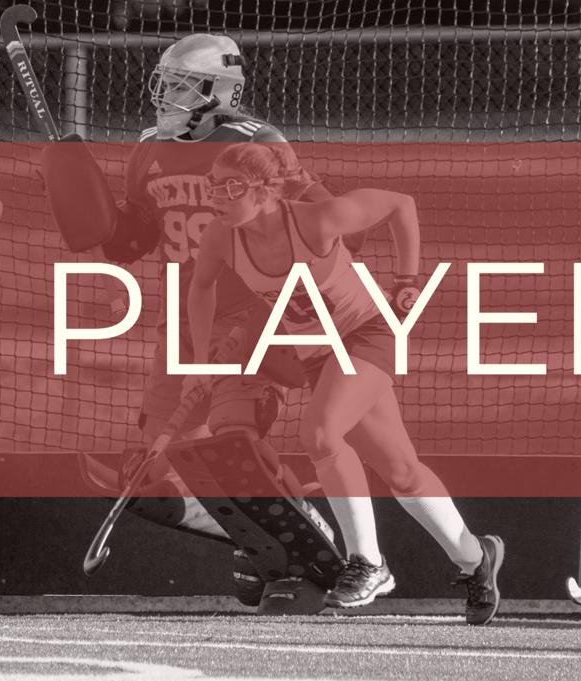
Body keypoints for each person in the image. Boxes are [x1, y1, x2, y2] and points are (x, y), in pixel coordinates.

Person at [85, 33, 385, 613]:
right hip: (184, 324)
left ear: (219, 92)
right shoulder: (148, 149)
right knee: (167, 458)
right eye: (165, 83)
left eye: (181, 86)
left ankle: (301, 553)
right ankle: (266, 543)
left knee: (233, 443)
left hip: (254, 317)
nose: (165, 96)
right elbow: (133, 239)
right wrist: (85, 202)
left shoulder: (257, 144)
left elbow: (328, 225)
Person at [184, 142, 505, 626]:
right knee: (402, 472)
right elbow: (201, 287)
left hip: (368, 333)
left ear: (267, 191)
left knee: (320, 433)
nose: (218, 197)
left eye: (232, 187)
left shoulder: (316, 220)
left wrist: (407, 280)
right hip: (320, 355)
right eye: (214, 186)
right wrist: (198, 362)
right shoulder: (221, 237)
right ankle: (476, 559)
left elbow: (400, 205)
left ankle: (368, 564)